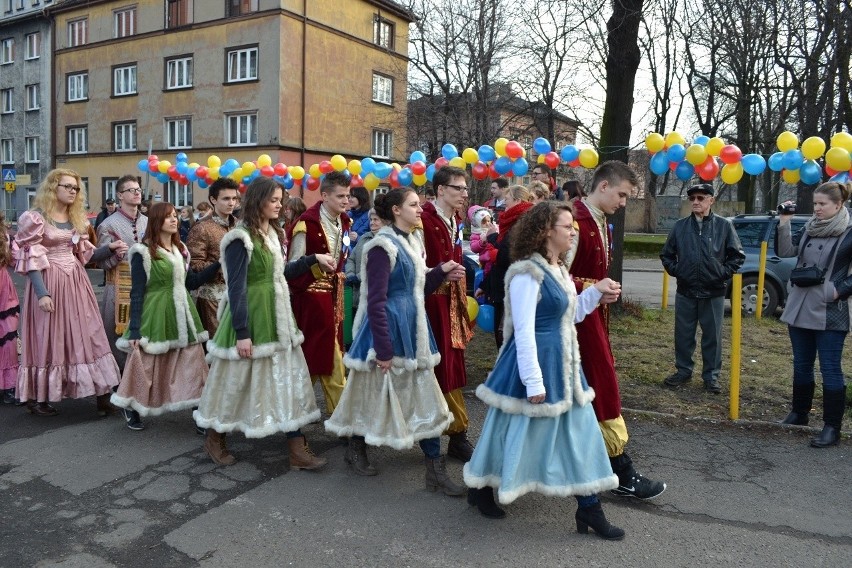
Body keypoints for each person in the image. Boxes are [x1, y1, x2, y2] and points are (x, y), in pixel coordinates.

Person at [464, 201, 624, 538]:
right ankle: (479, 487)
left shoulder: (558, 269)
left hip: (565, 364)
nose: (573, 232)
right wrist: (533, 380)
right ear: (547, 231)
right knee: (508, 430)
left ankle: (589, 508)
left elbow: (569, 315)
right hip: (532, 364)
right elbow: (522, 330)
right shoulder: (527, 273)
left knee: (581, 433)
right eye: (567, 227)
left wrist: (595, 293)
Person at [326, 189, 467, 495]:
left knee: (425, 395)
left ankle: (434, 469)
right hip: (386, 330)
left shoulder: (411, 241)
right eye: (414, 205)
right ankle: (356, 447)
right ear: (396, 210)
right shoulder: (381, 247)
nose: (420, 209)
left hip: (413, 327)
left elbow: (417, 288)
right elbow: (375, 300)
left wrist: (440, 272)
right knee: (371, 394)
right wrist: (384, 348)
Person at [194, 177, 331, 468]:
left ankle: (297, 448)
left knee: (286, 378)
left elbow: (280, 273)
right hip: (251, 316)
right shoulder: (239, 238)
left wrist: (312, 259)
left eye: (281, 199)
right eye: (274, 200)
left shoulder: (272, 232)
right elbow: (237, 287)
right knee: (235, 380)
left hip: (278, 316)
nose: (279, 204)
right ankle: (214, 436)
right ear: (258, 201)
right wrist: (242, 332)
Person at [567, 160, 666, 500]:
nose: (624, 203)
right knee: (600, 387)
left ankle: (596, 468)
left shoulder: (598, 222)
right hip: (574, 324)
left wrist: (599, 291)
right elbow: (551, 276)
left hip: (592, 318)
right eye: (622, 195)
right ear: (604, 186)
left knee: (589, 391)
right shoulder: (575, 223)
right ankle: (620, 470)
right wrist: (593, 288)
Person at [13, 169, 125, 417]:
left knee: (89, 332)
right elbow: (31, 258)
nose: (73, 191)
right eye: (67, 186)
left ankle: (102, 392)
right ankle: (38, 397)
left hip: (76, 282)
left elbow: (86, 255)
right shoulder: (35, 218)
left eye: (75, 187)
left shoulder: (78, 220)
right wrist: (42, 293)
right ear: (53, 188)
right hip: (47, 280)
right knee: (49, 337)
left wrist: (111, 249)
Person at [111, 203, 220, 427]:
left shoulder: (180, 250)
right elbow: (137, 292)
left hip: (184, 312)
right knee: (146, 363)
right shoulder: (142, 252)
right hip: (156, 311)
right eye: (168, 217)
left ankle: (200, 410)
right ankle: (131, 404)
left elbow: (191, 282)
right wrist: (134, 329)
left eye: (175, 216)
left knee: (193, 360)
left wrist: (218, 265)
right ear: (156, 221)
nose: (174, 220)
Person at [776, 181, 852, 448]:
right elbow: (785, 252)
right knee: (801, 364)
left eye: (822, 204)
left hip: (830, 310)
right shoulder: (809, 228)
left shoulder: (848, 233)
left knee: (830, 369)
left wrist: (837, 290)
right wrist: (785, 221)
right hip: (799, 306)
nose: (817, 209)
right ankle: (799, 414)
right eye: (815, 204)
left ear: (838, 205)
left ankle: (832, 427)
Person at [660, 183, 745, 393]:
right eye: (692, 198)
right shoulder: (680, 227)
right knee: (683, 334)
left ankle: (711, 376)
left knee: (712, 337)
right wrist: (679, 271)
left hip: (713, 292)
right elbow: (667, 254)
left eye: (700, 197)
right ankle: (683, 371)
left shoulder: (724, 226)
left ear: (711, 200)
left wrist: (721, 274)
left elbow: (737, 256)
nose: (696, 202)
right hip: (686, 291)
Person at [420, 166, 476, 461]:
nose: (464, 195)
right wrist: (439, 274)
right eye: (458, 189)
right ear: (441, 190)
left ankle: (457, 433)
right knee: (437, 366)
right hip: (431, 303)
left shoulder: (455, 220)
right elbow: (416, 265)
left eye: (466, 190)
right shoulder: (423, 220)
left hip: (451, 303)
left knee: (452, 364)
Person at [287, 171, 351, 415]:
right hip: (312, 299)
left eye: (348, 195)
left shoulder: (344, 222)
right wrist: (315, 264)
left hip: (333, 297)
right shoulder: (306, 224)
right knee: (322, 355)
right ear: (324, 196)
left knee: (320, 357)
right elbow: (291, 267)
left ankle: (299, 411)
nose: (346, 201)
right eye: (340, 196)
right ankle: (342, 417)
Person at [97, 175, 149, 428]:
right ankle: (124, 399)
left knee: (144, 344)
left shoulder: (149, 222)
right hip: (117, 289)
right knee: (119, 344)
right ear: (120, 195)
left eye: (138, 189)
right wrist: (116, 254)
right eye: (130, 190)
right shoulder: (108, 225)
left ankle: (142, 394)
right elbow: (101, 262)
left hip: (146, 290)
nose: (136, 193)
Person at [479, 185, 533, 349]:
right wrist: (485, 285)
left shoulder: (521, 223)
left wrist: (492, 237)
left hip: (509, 289)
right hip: (502, 285)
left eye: (507, 200)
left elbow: (506, 256)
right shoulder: (514, 221)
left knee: (505, 336)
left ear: (517, 201)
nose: (504, 204)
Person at [186, 178, 239, 335]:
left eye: (234, 198)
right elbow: (194, 265)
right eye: (226, 198)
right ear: (213, 200)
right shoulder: (202, 228)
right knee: (217, 347)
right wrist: (221, 265)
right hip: (212, 298)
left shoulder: (240, 225)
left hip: (239, 294)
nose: (231, 203)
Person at [344, 208, 382, 322]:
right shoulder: (364, 238)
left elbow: (376, 265)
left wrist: (359, 277)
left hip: (372, 295)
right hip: (356, 294)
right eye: (371, 219)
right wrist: (350, 275)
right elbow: (351, 258)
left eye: (376, 219)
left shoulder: (383, 239)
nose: (372, 222)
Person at [0, 211, 19, 404]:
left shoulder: (4, 234)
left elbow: (16, 260)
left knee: (8, 338)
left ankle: (9, 386)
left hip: (4, 290)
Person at [468, 206, 498, 277]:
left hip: (496, 257)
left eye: (488, 221)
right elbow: (473, 248)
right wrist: (482, 242)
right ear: (478, 223)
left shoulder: (495, 228)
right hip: (486, 260)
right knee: (488, 274)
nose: (487, 223)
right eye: (484, 222)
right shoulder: (476, 234)